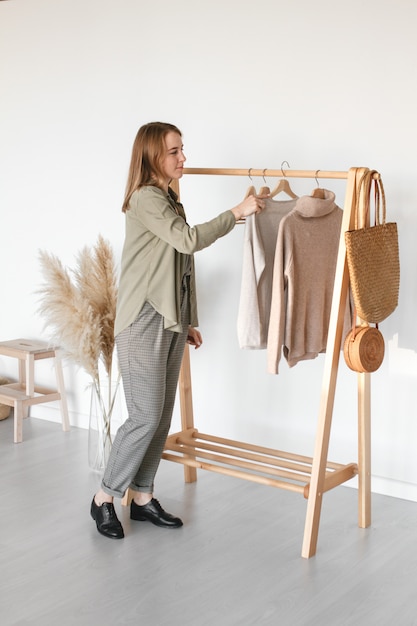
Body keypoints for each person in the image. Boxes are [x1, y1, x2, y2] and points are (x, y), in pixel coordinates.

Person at [91, 121, 265, 539]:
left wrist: (186, 320)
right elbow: (187, 241)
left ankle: (144, 496)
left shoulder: (168, 197)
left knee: (161, 417)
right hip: (141, 322)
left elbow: (178, 266)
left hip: (167, 319)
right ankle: (104, 497)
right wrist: (235, 213)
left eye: (182, 149)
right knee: (145, 417)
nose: (183, 157)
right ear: (153, 156)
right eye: (174, 151)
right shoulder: (146, 198)